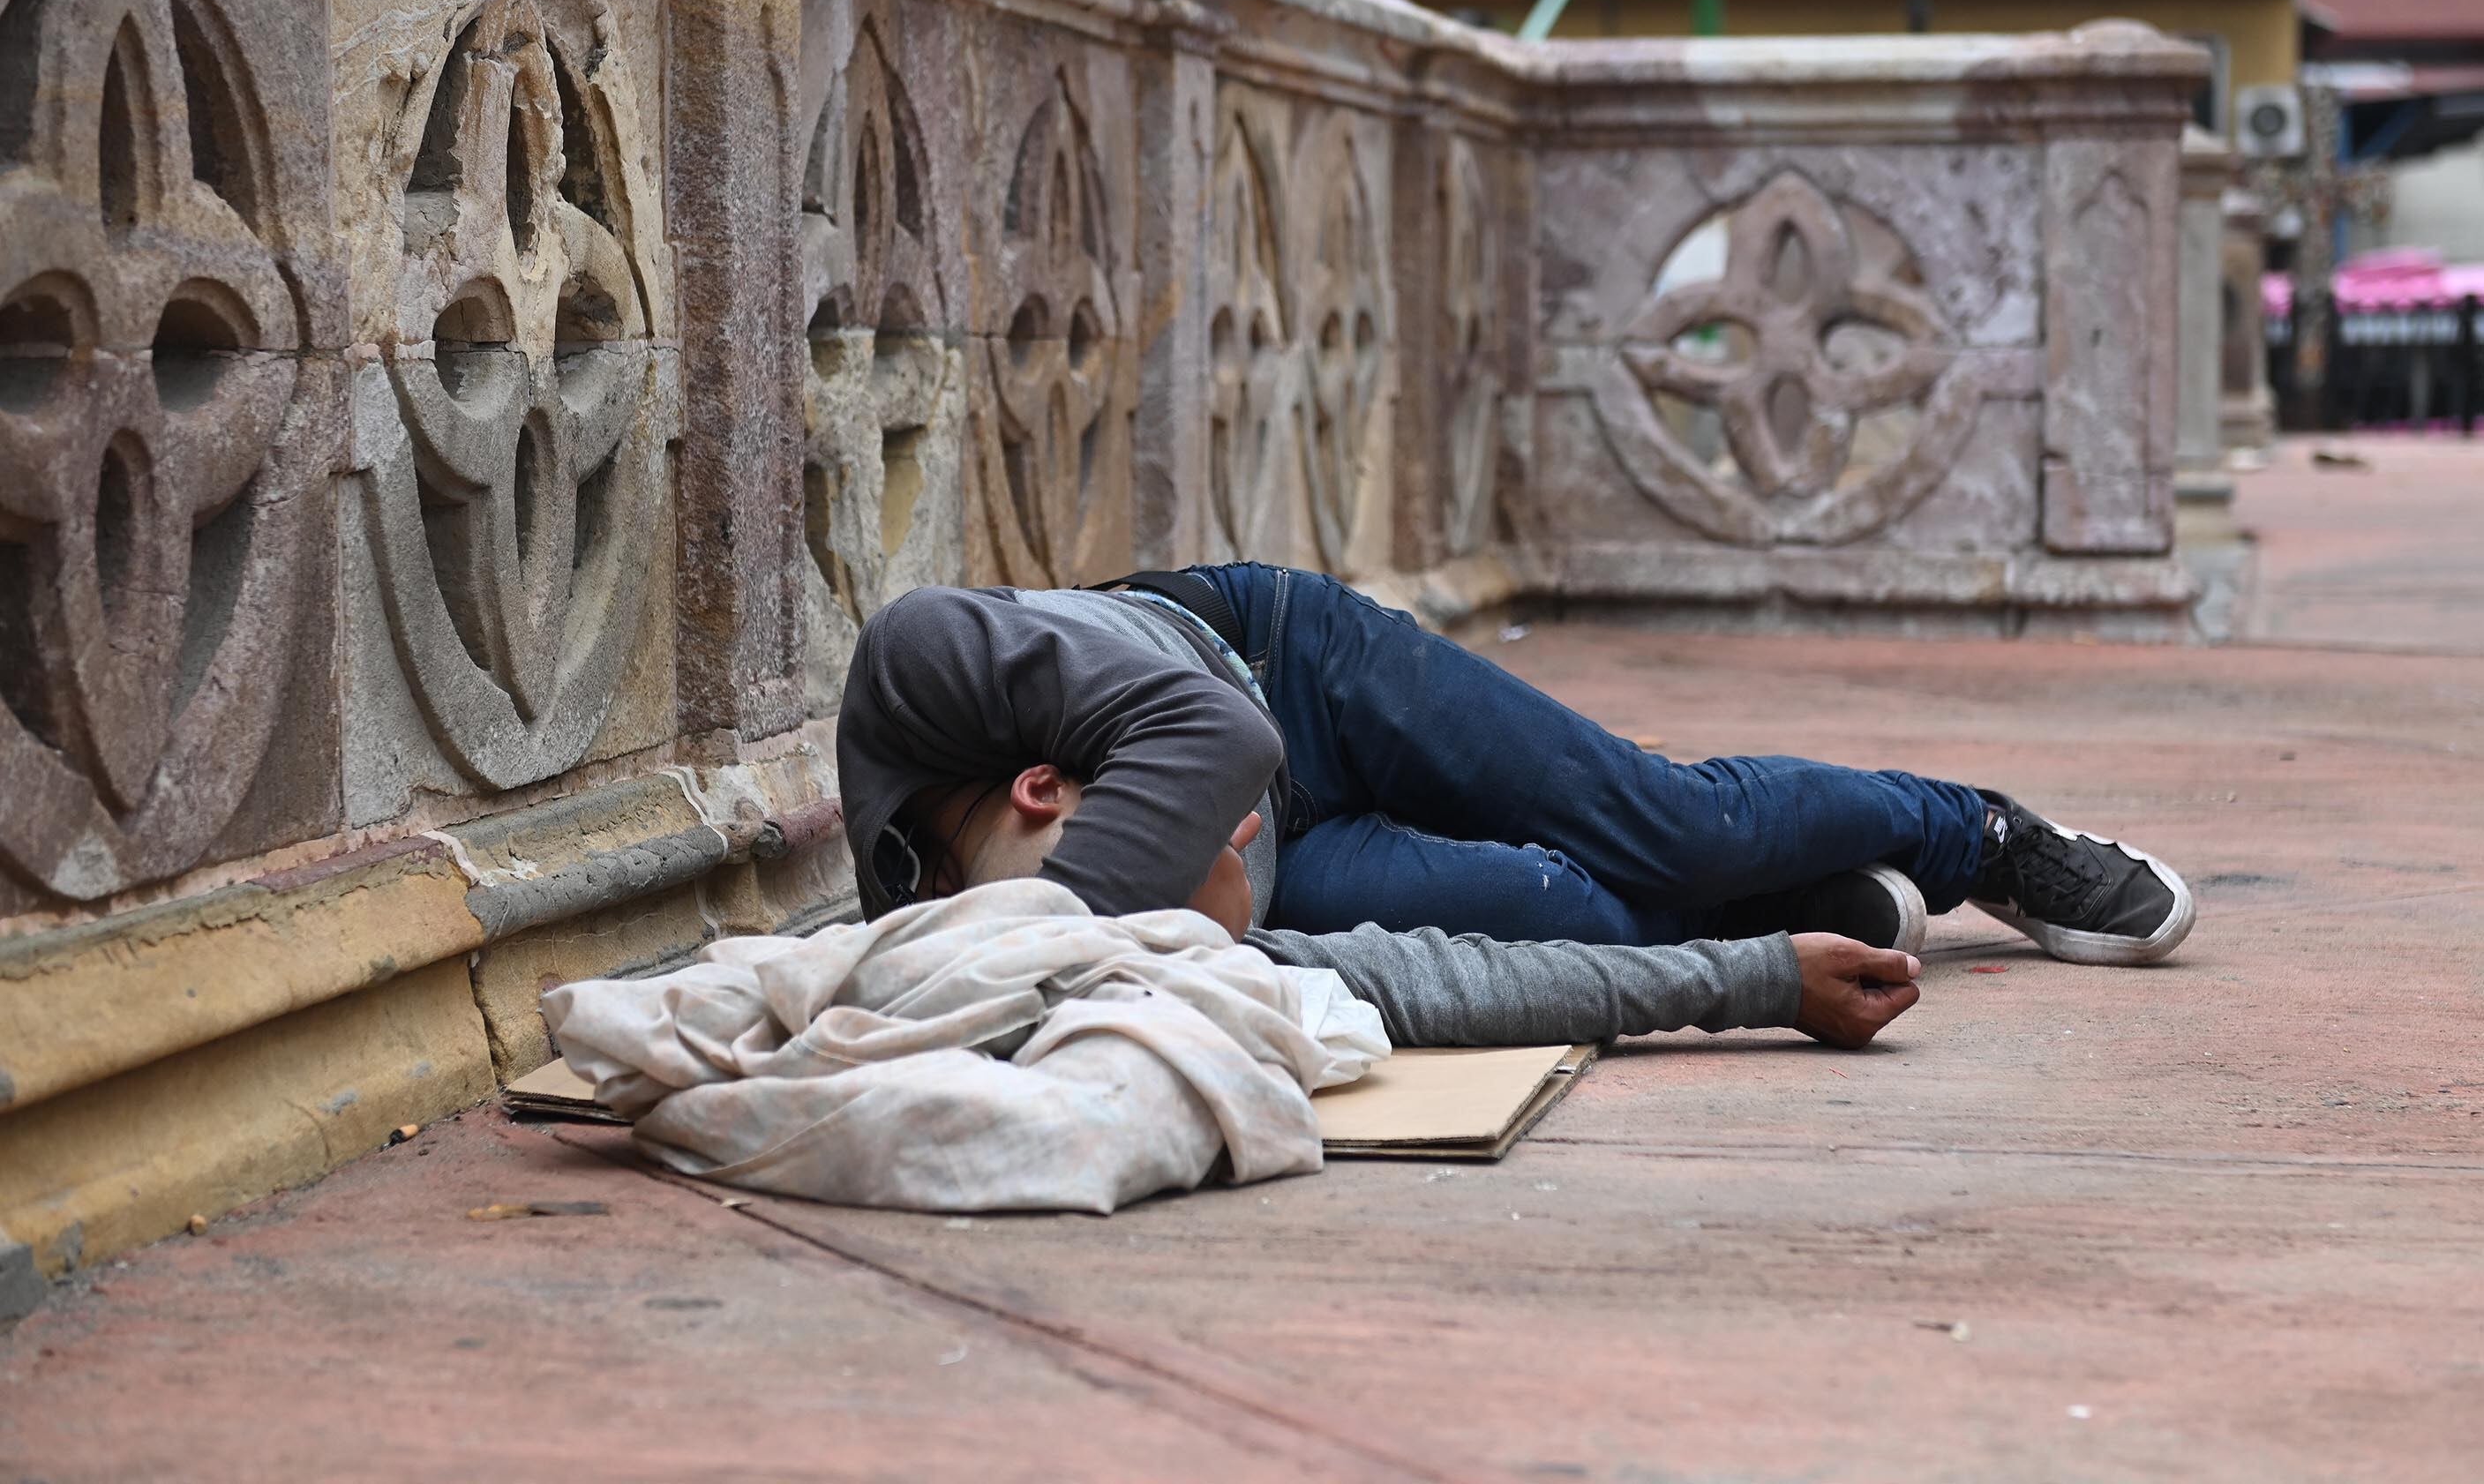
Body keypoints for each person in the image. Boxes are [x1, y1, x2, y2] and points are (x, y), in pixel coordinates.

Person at [835, 564, 2195, 1051]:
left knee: (1671, 828)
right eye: (1221, 886)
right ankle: (1787, 912)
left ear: (1046, 786)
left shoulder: (921, 664)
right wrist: (1751, 980)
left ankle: (1974, 833)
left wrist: (1068, 923)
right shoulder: (1002, 958)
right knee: (1572, 914)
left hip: (1290, 666)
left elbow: (1222, 737)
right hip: (1303, 831)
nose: (1232, 830)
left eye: (1212, 834)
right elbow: (1427, 986)